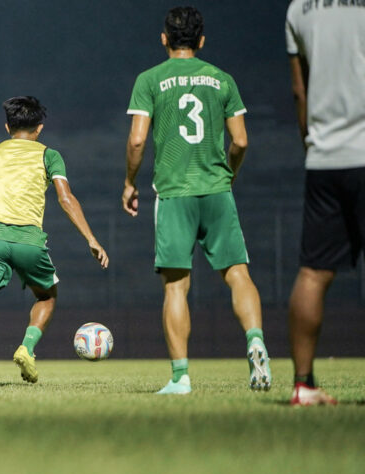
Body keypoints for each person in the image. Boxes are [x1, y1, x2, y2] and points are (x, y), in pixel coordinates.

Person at [122, 6, 270, 394]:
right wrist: (228, 177)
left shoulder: (150, 79)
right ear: (202, 41)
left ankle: (180, 377)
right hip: (217, 190)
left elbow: (137, 140)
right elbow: (240, 141)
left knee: (176, 287)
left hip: (174, 193)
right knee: (238, 274)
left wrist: (129, 182)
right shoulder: (222, 79)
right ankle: (255, 341)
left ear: (164, 38)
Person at [0, 96, 109, 388]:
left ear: (7, 126)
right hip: (29, 241)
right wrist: (92, 239)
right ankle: (26, 348)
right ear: (39, 128)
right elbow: (66, 199)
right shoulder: (49, 155)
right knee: (46, 296)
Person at [285, 0, 365, 406]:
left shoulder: (300, 9)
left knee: (312, 271)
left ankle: (303, 384)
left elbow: (299, 89)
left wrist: (311, 145)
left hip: (325, 156)